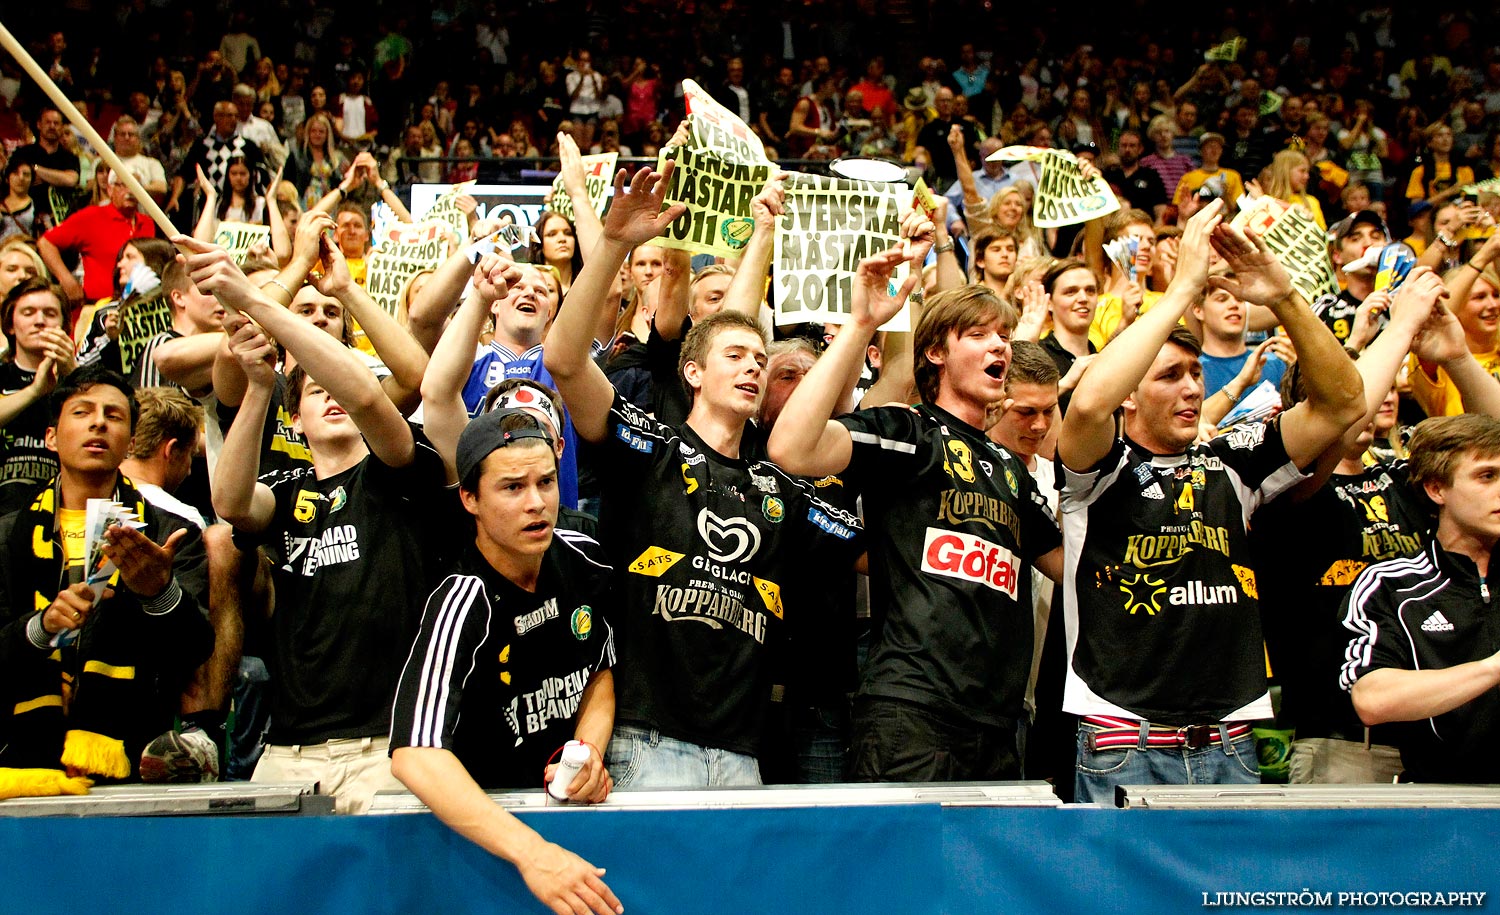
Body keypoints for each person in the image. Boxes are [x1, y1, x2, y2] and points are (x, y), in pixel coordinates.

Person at [544, 164, 860, 787]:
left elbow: (862, 546)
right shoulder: (650, 445)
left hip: (745, 756)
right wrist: (610, 246)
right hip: (646, 744)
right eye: (735, 357)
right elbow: (563, 360)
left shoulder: (780, 487)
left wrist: (768, 233)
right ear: (692, 373)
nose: (753, 369)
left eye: (762, 361)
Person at [1055, 200, 1364, 802]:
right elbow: (1089, 403)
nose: (1193, 386)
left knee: (1231, 902)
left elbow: (1343, 402)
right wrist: (1181, 288)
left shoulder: (1232, 460)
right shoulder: (1098, 467)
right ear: (1130, 395)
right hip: (1123, 740)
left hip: (1233, 738)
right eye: (1170, 375)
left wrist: (1283, 298)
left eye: (1196, 373)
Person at [769, 237, 1066, 780]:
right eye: (977, 335)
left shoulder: (1007, 465)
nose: (998, 346)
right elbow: (790, 448)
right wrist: (860, 327)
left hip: (999, 724)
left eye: (1003, 335)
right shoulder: (910, 431)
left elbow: (1073, 567)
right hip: (912, 714)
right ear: (935, 353)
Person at [194, 231, 445, 814]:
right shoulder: (285, 493)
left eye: (338, 383)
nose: (332, 395)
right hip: (289, 749)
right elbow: (230, 503)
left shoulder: (397, 471)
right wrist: (260, 387)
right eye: (313, 391)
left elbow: (369, 399)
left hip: (388, 748)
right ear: (297, 417)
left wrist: (258, 302)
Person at [389, 408, 622, 915]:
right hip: (481, 842)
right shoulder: (462, 598)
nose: (537, 503)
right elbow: (414, 754)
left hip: (565, 826)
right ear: (470, 499)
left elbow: (600, 670)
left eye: (546, 482)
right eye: (512, 488)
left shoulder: (583, 559)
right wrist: (532, 855)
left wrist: (588, 753)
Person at [0, 364, 212, 780]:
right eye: (82, 412)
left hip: (133, 758)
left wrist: (160, 593)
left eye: (113, 415)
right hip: (21, 768)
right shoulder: (8, 535)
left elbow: (194, 650)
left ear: (130, 443)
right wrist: (39, 628)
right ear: (50, 437)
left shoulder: (168, 532)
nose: (98, 421)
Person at [1341, 413, 1500, 784]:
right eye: (1486, 476)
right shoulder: (1389, 587)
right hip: (1437, 805)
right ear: (1436, 489)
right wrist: (1493, 669)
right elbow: (1373, 700)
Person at [0, 279, 75, 513]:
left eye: (50, 313)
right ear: (11, 325)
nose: (39, 321)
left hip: (61, 509)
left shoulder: (82, 379)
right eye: (28, 312)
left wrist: (72, 372)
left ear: (64, 326)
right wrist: (35, 390)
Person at [37, 168, 156, 312]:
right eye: (122, 185)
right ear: (110, 189)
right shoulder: (91, 217)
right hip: (98, 308)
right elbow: (45, 243)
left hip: (141, 309)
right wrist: (66, 280)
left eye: (135, 186)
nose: (130, 191)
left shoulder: (148, 223)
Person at [9, 110, 79, 224]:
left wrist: (35, 169)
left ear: (62, 127)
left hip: (60, 221)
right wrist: (56, 178)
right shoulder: (22, 153)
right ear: (39, 125)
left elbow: (70, 180)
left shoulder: (69, 157)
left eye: (56, 123)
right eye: (48, 122)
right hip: (25, 217)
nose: (52, 126)